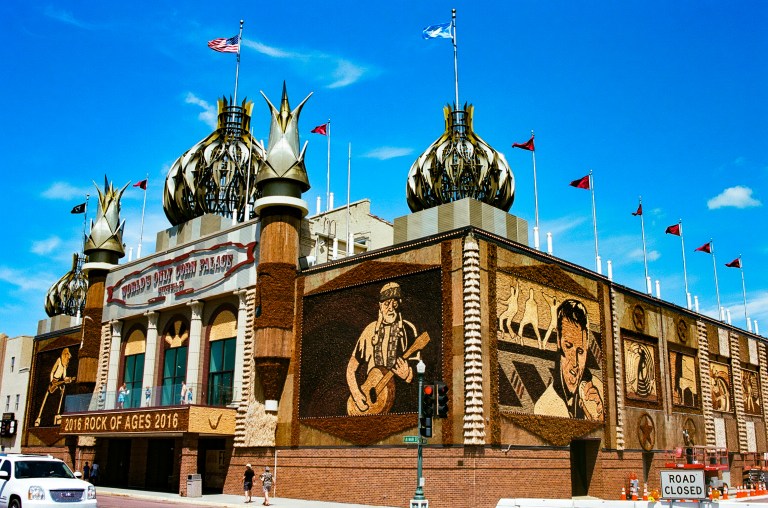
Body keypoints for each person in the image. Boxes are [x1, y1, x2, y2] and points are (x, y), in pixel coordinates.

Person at [346, 282, 419, 415]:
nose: (391, 308)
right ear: (380, 305)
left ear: (399, 304)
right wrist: (356, 395)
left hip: (399, 405)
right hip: (371, 406)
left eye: (394, 303)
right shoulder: (369, 331)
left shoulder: (408, 330)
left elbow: (421, 368)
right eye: (386, 304)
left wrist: (408, 375)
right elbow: (351, 368)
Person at [534, 299, 603, 420]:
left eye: (580, 352)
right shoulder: (543, 407)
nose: (574, 362)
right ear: (558, 341)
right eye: (568, 346)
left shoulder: (599, 391)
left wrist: (601, 418)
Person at [34, 347, 75, 426]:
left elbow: (64, 377)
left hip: (59, 382)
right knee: (46, 398)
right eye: (67, 356)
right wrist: (51, 381)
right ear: (65, 355)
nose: (68, 358)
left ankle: (58, 416)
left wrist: (69, 379)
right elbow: (52, 371)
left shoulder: (65, 365)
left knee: (61, 395)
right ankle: (38, 418)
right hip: (53, 381)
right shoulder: (59, 360)